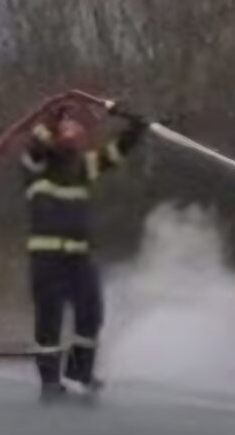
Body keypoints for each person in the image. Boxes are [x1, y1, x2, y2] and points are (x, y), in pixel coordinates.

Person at [21, 102, 147, 401]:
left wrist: (135, 129)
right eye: (67, 127)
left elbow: (113, 155)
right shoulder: (36, 166)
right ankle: (50, 380)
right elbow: (35, 146)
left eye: (75, 128)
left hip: (79, 257)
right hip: (47, 257)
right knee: (49, 319)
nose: (72, 133)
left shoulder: (80, 166)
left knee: (91, 313)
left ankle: (81, 371)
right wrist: (53, 118)